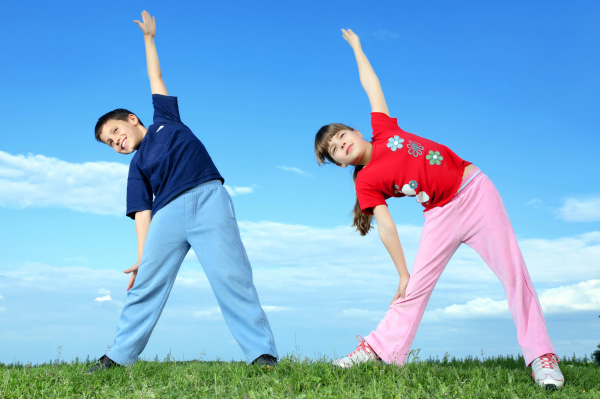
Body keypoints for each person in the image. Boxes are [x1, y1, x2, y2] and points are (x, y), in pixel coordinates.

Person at [314, 29, 564, 389]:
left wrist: (356, 47)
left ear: (356, 130)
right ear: (339, 164)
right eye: (335, 150)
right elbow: (386, 227)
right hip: (440, 215)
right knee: (413, 288)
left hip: (475, 191)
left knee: (514, 273)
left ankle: (542, 357)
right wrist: (402, 273)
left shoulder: (382, 129)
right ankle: (375, 350)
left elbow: (371, 84)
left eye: (341, 137)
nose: (341, 145)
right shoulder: (364, 181)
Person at [87, 10, 277, 372]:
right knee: (145, 286)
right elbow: (142, 212)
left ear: (131, 118)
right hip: (168, 217)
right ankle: (118, 356)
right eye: (111, 144)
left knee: (232, 276)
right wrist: (143, 257)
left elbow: (155, 76)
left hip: (208, 199)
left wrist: (148, 39)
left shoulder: (165, 120)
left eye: (116, 132)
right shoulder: (135, 167)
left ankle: (261, 354)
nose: (117, 143)